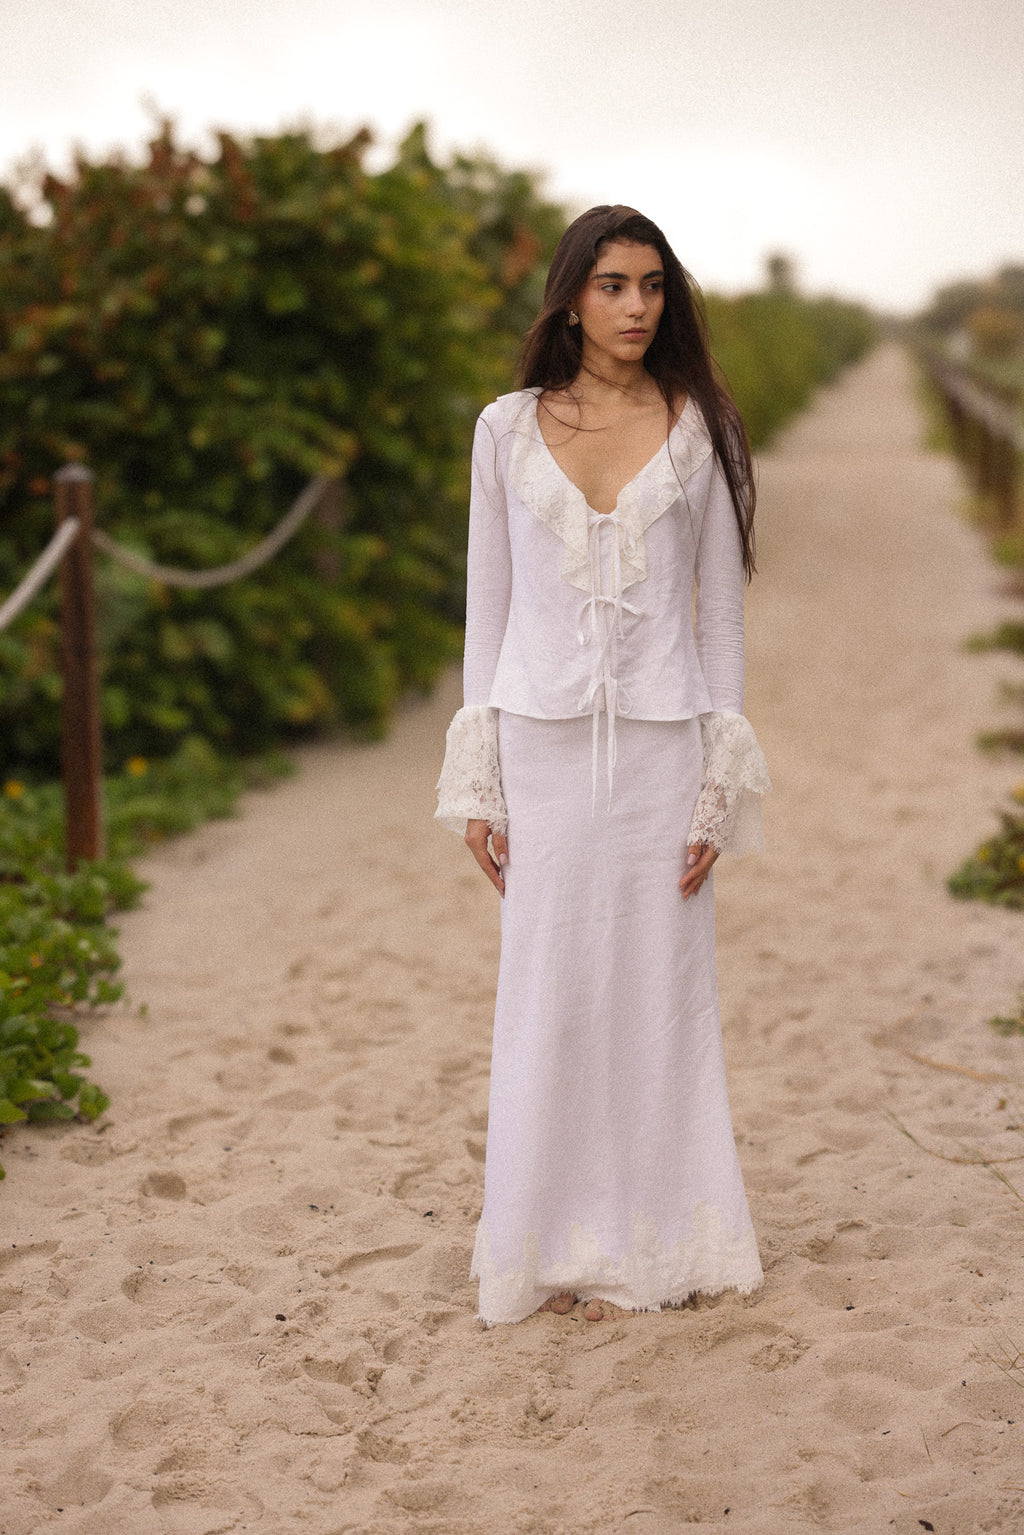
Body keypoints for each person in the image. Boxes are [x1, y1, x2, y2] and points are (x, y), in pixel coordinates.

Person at [435, 205, 770, 1326]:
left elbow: (718, 615)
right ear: (571, 294)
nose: (636, 308)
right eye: (614, 285)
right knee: (548, 992)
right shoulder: (504, 428)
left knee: (661, 992)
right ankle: (550, 1242)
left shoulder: (700, 425)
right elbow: (489, 607)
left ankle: (662, 1237)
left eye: (653, 287)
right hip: (537, 742)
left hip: (667, 752)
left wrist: (721, 777)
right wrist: (476, 771)